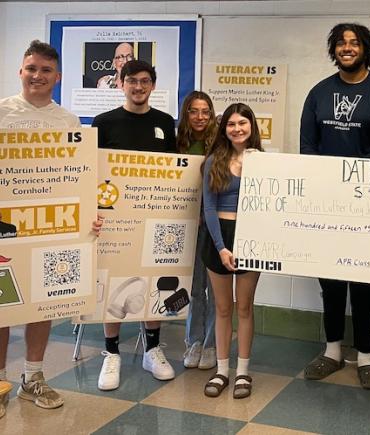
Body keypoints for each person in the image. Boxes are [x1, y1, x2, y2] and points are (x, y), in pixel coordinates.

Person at [0, 40, 102, 418]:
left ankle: (33, 377)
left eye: (45, 70)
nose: (37, 76)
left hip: (49, 225)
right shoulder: (3, 112)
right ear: (20, 71)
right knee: (3, 305)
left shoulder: (68, 121)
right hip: (7, 227)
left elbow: (77, 177)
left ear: (57, 77)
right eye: (31, 68)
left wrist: (88, 214)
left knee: (40, 302)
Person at [300, 22, 370, 389]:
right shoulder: (318, 93)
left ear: (365, 49)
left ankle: (366, 356)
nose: (347, 48)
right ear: (334, 49)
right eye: (341, 43)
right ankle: (331, 351)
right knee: (329, 280)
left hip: (366, 207)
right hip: (325, 206)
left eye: (354, 43)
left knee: (362, 281)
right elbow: (308, 150)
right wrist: (327, 191)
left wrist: (356, 191)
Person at [93, 59, 177, 391]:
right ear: (120, 83)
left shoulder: (164, 123)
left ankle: (152, 349)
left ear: (153, 85)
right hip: (113, 218)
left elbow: (173, 170)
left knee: (153, 279)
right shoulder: (103, 122)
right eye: (132, 81)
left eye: (145, 81)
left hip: (153, 216)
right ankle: (111, 353)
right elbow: (92, 171)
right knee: (112, 280)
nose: (138, 86)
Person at [201, 103, 262, 399]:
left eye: (242, 123)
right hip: (219, 238)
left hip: (251, 236)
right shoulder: (214, 160)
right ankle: (222, 369)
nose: (237, 128)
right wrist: (221, 247)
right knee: (223, 308)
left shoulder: (264, 162)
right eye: (231, 124)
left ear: (252, 126)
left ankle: (243, 372)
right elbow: (209, 207)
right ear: (224, 129)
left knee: (244, 307)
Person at [177, 91, 218, 370]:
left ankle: (212, 344)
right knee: (193, 287)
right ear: (186, 113)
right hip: (187, 223)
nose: (200, 117)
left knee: (216, 288)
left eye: (205, 111)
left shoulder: (219, 143)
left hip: (214, 224)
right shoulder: (177, 143)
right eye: (194, 111)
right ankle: (193, 341)